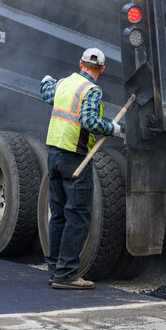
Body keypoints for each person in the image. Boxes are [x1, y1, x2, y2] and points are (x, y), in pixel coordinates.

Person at [40, 48, 124, 289]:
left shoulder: (65, 83)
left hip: (54, 155)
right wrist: (111, 128)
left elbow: (46, 93)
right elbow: (88, 121)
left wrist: (46, 80)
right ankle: (66, 275)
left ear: (80, 63)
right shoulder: (92, 90)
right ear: (102, 70)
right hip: (75, 159)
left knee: (58, 215)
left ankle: (55, 269)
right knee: (77, 217)